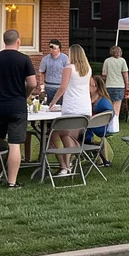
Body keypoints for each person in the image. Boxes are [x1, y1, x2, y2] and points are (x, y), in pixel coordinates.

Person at [0, 29, 37, 189]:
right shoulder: (24, 59)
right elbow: (32, 83)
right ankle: (12, 181)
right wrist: (25, 94)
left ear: (3, 41)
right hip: (17, 106)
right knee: (14, 144)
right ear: (18, 41)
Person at [48, 44, 93, 176]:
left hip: (72, 108)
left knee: (58, 134)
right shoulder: (87, 69)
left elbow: (62, 88)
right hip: (84, 108)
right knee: (69, 135)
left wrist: (52, 102)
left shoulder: (69, 68)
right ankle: (67, 165)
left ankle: (65, 166)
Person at [84, 75, 116, 166]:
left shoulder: (103, 102)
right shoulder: (90, 99)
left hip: (97, 129)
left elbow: (110, 114)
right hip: (92, 126)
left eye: (88, 84)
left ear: (95, 86)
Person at [101, 46, 129, 124]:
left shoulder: (107, 61)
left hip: (109, 86)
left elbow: (104, 75)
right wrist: (127, 86)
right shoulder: (122, 61)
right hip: (119, 86)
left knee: (109, 106)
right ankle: (115, 124)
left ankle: (108, 123)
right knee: (117, 107)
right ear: (120, 52)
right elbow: (125, 74)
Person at [38, 40, 69, 104]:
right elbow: (42, 73)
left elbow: (68, 73)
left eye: (54, 48)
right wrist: (42, 88)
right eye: (50, 47)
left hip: (60, 87)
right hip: (49, 88)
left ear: (59, 49)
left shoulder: (65, 58)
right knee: (49, 106)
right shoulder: (45, 59)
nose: (52, 50)